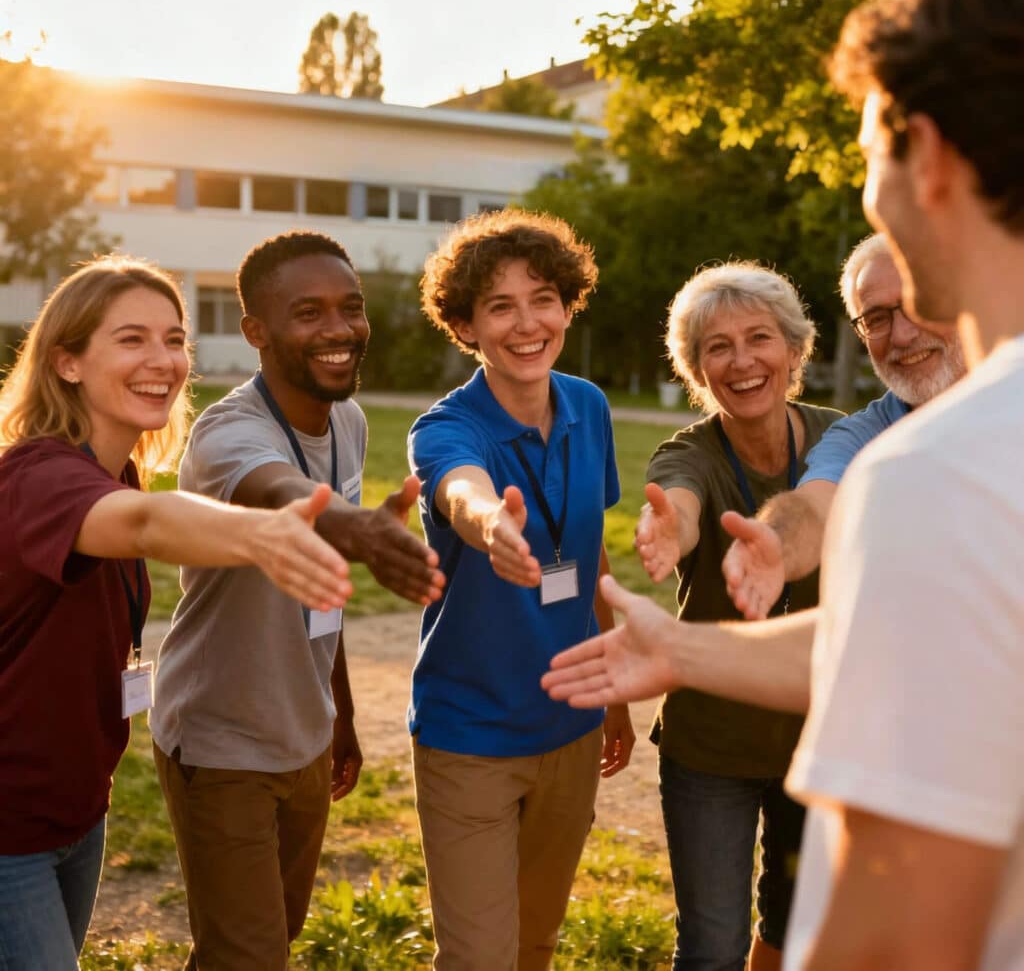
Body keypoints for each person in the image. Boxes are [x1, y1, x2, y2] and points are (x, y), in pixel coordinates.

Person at [546, 0, 1024, 967]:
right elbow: (940, 648)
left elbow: (887, 932)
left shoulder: (940, 472)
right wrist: (683, 650)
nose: (867, 194)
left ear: (926, 157)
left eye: (867, 158)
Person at [0, 257, 352, 971]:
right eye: (131, 340)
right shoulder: (39, 477)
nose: (163, 359)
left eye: (174, 338)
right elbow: (144, 525)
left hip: (75, 812)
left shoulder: (112, 468)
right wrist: (259, 533)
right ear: (66, 362)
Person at [150, 231, 444, 971]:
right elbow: (282, 496)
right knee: (248, 955)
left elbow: (321, 591)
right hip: (222, 741)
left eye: (351, 308)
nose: (340, 329)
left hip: (304, 732)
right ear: (256, 331)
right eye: (308, 312)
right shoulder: (228, 435)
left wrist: (336, 708)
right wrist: (357, 529)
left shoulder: (346, 418)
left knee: (268, 935)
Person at [408, 209, 634, 971]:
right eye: (499, 306)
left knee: (534, 945)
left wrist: (617, 693)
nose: (526, 323)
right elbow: (460, 489)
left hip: (571, 722)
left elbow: (590, 554)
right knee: (479, 959)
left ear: (568, 304)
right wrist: (489, 527)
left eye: (542, 298)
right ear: (466, 326)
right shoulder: (444, 427)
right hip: (470, 734)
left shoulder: (589, 406)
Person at [634, 262, 841, 971]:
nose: (742, 360)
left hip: (817, 739)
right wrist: (672, 530)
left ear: (793, 349)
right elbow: (681, 500)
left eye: (759, 338)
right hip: (712, 748)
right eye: (716, 347)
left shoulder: (839, 442)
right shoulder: (688, 453)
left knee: (794, 929)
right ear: (695, 367)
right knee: (713, 945)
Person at [722, 233, 965, 620]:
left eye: (917, 305)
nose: (901, 335)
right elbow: (816, 505)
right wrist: (777, 541)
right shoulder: (862, 437)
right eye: (876, 319)